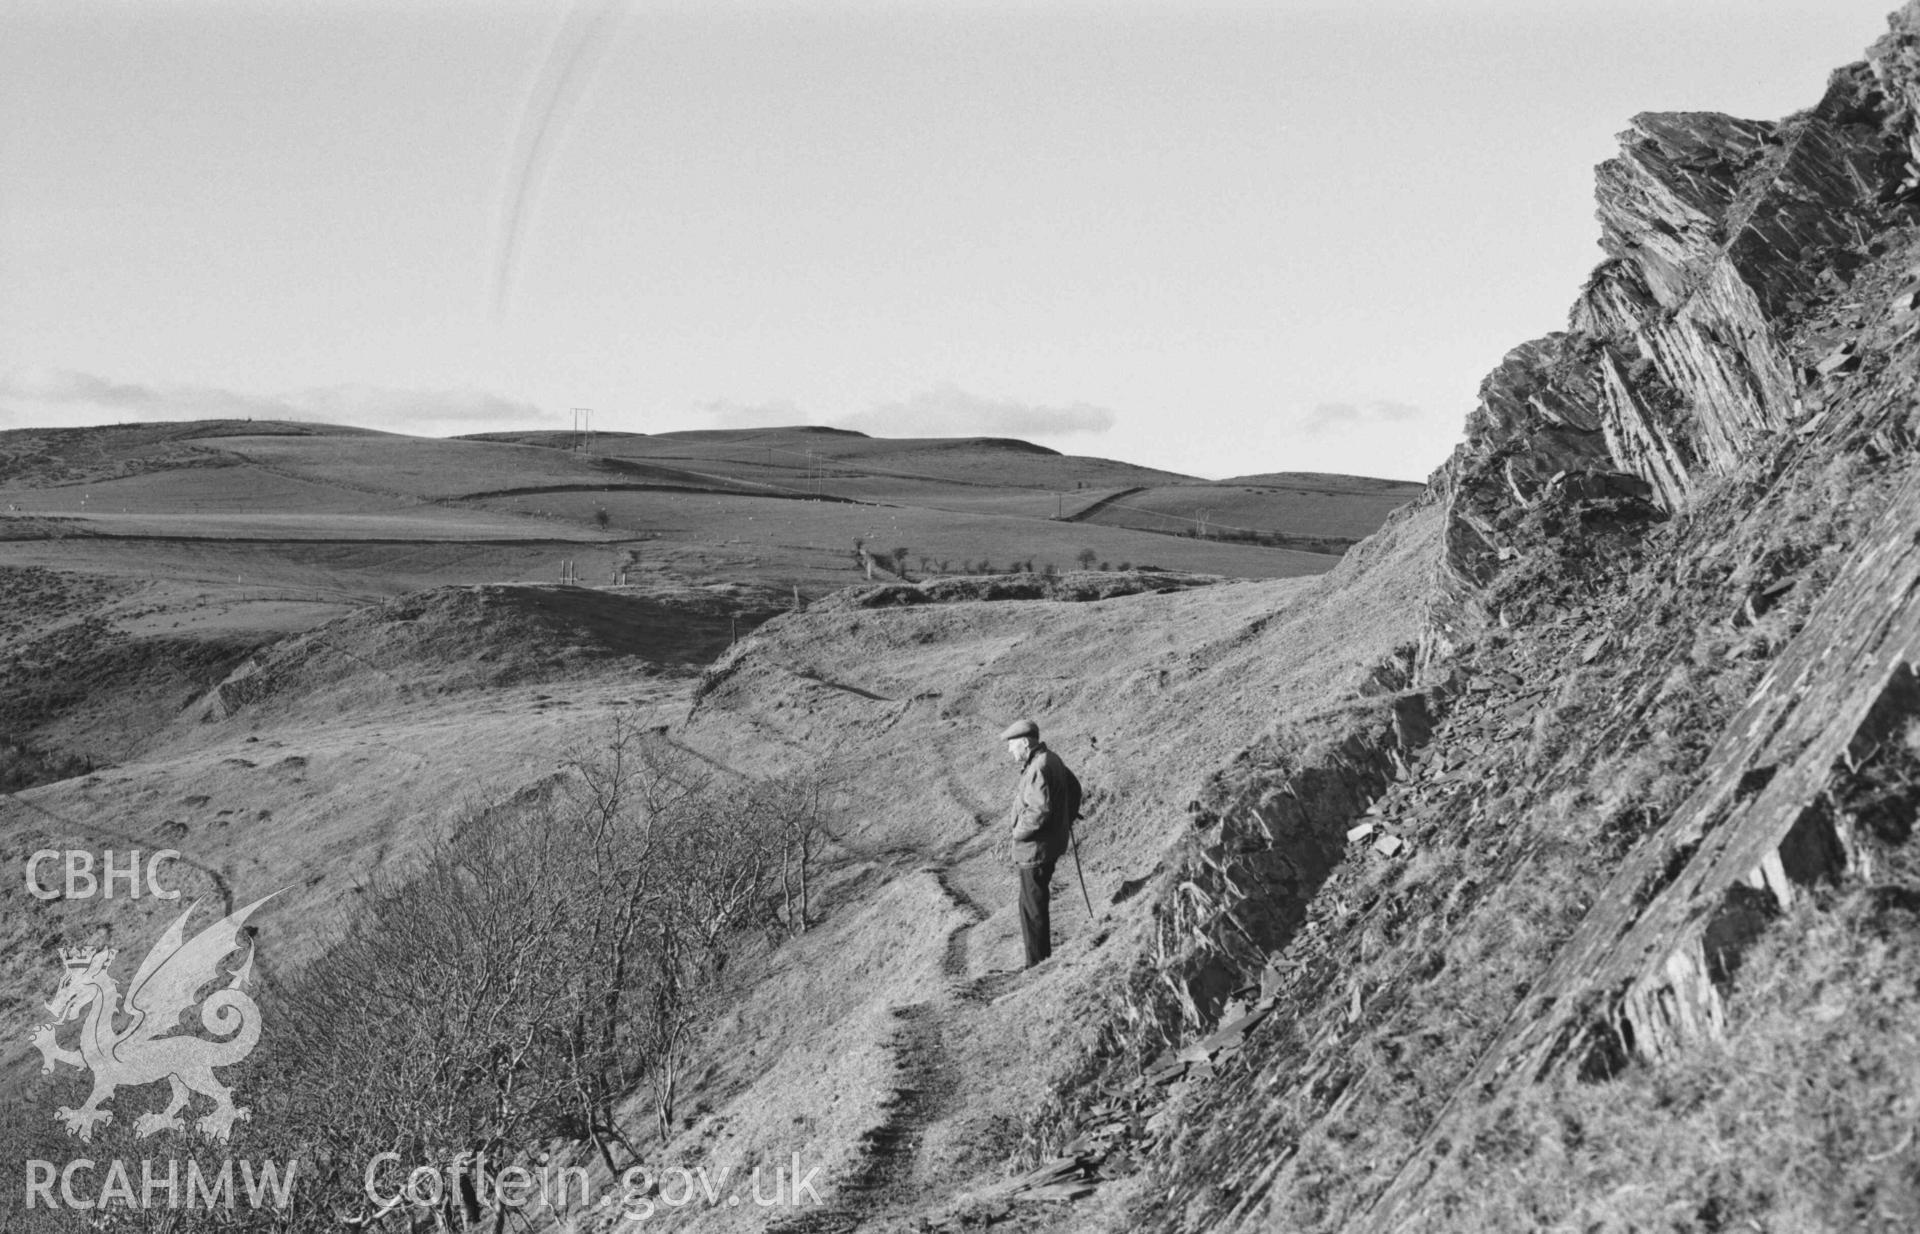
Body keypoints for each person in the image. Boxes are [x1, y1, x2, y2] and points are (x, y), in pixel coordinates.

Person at [996, 718, 1076, 968]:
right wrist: (1066, 817)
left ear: (1024, 743)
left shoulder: (1039, 767)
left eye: (1012, 745)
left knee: (1032, 909)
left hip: (1035, 850)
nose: (1010, 751)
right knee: (1031, 905)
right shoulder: (1050, 758)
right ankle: (1038, 959)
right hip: (1044, 847)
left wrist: (1017, 833)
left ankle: (1038, 964)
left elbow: (1038, 811)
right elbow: (1074, 788)